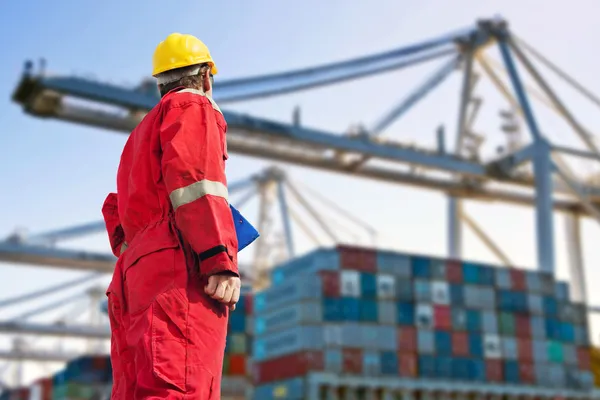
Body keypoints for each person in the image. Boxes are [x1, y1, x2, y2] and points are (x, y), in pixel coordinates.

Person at [103, 33, 241, 399]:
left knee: (139, 387)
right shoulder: (192, 106)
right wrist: (219, 258)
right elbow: (198, 182)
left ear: (160, 84)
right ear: (206, 77)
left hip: (135, 274)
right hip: (177, 265)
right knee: (183, 382)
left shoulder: (138, 135)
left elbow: (119, 212)